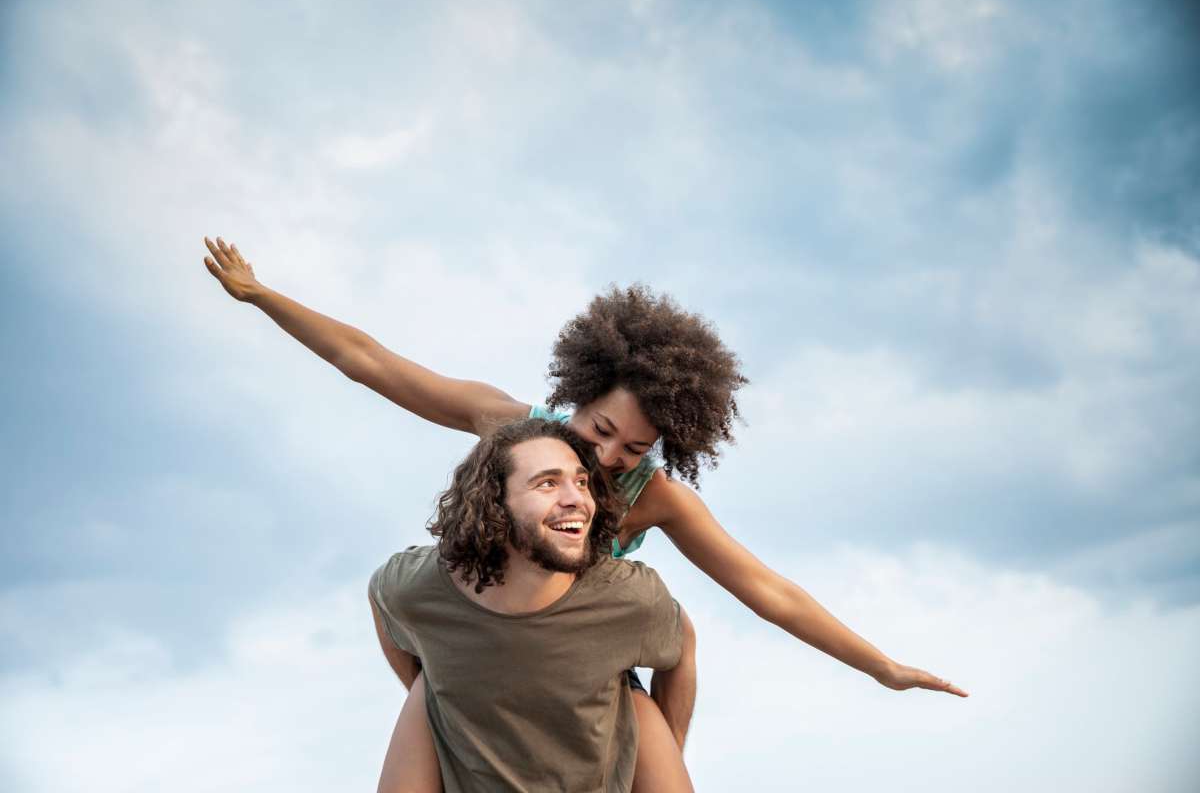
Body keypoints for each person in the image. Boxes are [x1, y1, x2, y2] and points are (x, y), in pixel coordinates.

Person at [202, 236, 967, 789]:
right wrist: (264, 296)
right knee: (430, 671)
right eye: (599, 431)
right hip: (480, 639)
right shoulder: (510, 425)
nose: (603, 462)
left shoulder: (654, 498)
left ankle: (650, 757)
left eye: (632, 450)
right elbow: (371, 363)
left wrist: (882, 668)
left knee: (675, 642)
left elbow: (769, 593)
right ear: (579, 396)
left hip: (588, 666)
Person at [369, 418, 688, 792]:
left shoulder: (627, 598)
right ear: (494, 503)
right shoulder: (421, 586)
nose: (577, 499)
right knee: (428, 690)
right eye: (548, 483)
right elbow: (382, 597)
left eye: (581, 482)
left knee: (636, 704)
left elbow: (683, 646)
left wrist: (668, 746)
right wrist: (443, 692)